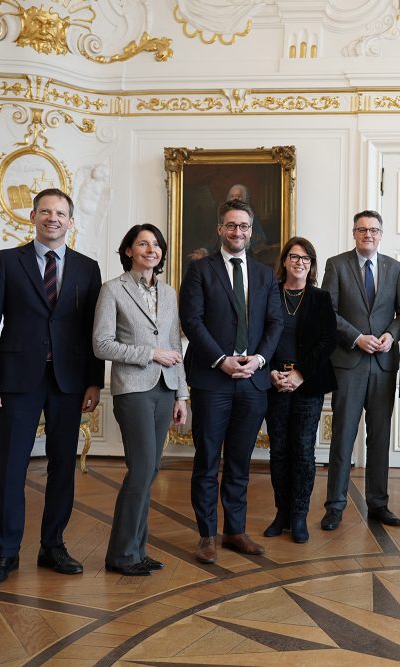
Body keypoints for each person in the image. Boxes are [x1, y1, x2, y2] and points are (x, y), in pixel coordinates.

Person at [0, 188, 104, 587]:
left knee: (63, 467)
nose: (53, 218)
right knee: (11, 467)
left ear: (71, 221)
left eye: (60, 213)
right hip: (15, 381)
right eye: (45, 212)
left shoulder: (87, 268)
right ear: (32, 217)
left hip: (68, 382)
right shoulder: (6, 262)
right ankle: (6, 554)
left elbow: (92, 332)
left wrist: (95, 381)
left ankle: (53, 547)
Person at [179, 199, 283, 564]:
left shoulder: (265, 274)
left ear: (251, 232)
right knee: (207, 460)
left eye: (244, 226)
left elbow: (275, 323)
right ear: (220, 229)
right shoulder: (199, 270)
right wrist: (222, 360)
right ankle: (207, 534)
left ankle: (235, 530)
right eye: (231, 225)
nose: (237, 231)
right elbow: (192, 321)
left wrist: (258, 359)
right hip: (212, 379)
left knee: (240, 461)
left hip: (252, 382)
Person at [93, 224, 188, 576]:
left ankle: (137, 550)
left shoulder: (168, 292)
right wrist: (150, 353)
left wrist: (182, 393)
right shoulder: (112, 290)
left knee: (150, 471)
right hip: (132, 388)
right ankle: (120, 555)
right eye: (142, 243)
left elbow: (175, 346)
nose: (151, 249)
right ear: (129, 250)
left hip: (165, 388)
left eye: (156, 244)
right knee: (142, 469)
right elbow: (101, 344)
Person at [320, 210, 400, 531]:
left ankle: (378, 504)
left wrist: (391, 335)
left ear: (381, 234)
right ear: (354, 233)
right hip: (349, 362)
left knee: (380, 437)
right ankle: (335, 505)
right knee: (343, 436)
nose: (368, 235)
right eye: (362, 230)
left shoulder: (395, 268)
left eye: (373, 230)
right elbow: (326, 312)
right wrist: (357, 338)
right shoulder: (337, 265)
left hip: (384, 365)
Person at [263, 237, 337, 544]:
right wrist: (270, 371)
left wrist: (300, 374)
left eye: (306, 259)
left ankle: (299, 515)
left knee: (303, 451)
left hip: (307, 384)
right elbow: (257, 337)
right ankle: (281, 513)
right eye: (294, 257)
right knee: (279, 450)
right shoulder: (269, 295)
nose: (299, 263)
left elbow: (328, 341)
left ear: (312, 264)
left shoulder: (320, 298)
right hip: (274, 382)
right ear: (284, 261)